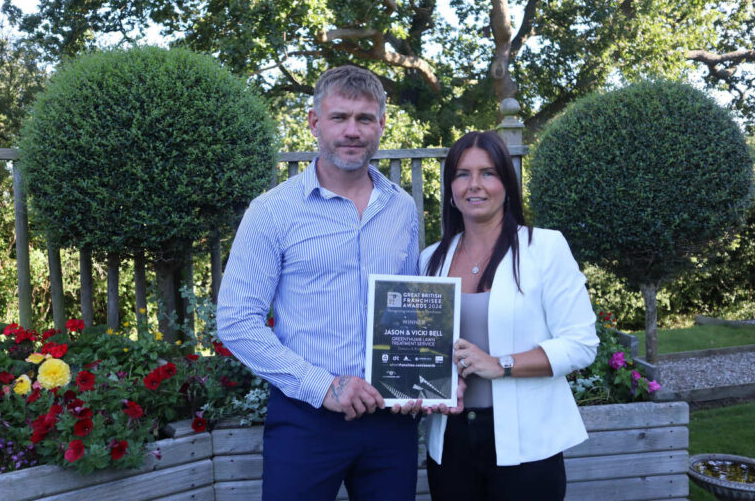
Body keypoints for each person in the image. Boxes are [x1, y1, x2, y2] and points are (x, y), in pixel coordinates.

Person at [216, 65, 422, 501]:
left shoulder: (402, 208)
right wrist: (323, 386)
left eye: (365, 119)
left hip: (391, 420)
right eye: (339, 117)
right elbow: (237, 321)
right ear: (314, 122)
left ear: (382, 125)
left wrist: (421, 376)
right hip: (306, 419)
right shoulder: (272, 211)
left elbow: (409, 308)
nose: (353, 131)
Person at [419, 130, 599, 500]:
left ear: (507, 183)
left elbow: (581, 345)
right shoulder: (430, 260)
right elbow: (421, 348)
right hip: (448, 442)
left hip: (528, 445)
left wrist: (500, 364)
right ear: (451, 188)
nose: (475, 185)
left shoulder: (544, 248)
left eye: (488, 173)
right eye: (462, 174)